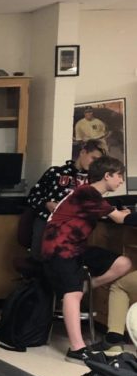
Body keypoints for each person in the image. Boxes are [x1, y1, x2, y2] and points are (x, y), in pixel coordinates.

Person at [41, 155, 135, 362]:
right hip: (59, 249)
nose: (121, 181)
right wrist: (124, 214)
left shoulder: (91, 195)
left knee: (124, 263)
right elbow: (119, 218)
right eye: (119, 176)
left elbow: (114, 215)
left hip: (76, 248)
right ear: (107, 175)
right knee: (72, 295)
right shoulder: (88, 192)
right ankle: (76, 349)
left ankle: (87, 285)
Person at [26, 140, 105, 256]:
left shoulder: (93, 181)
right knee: (41, 258)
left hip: (74, 227)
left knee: (68, 260)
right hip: (47, 222)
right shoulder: (56, 172)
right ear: (83, 152)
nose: (94, 164)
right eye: (93, 158)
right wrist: (46, 204)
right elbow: (32, 197)